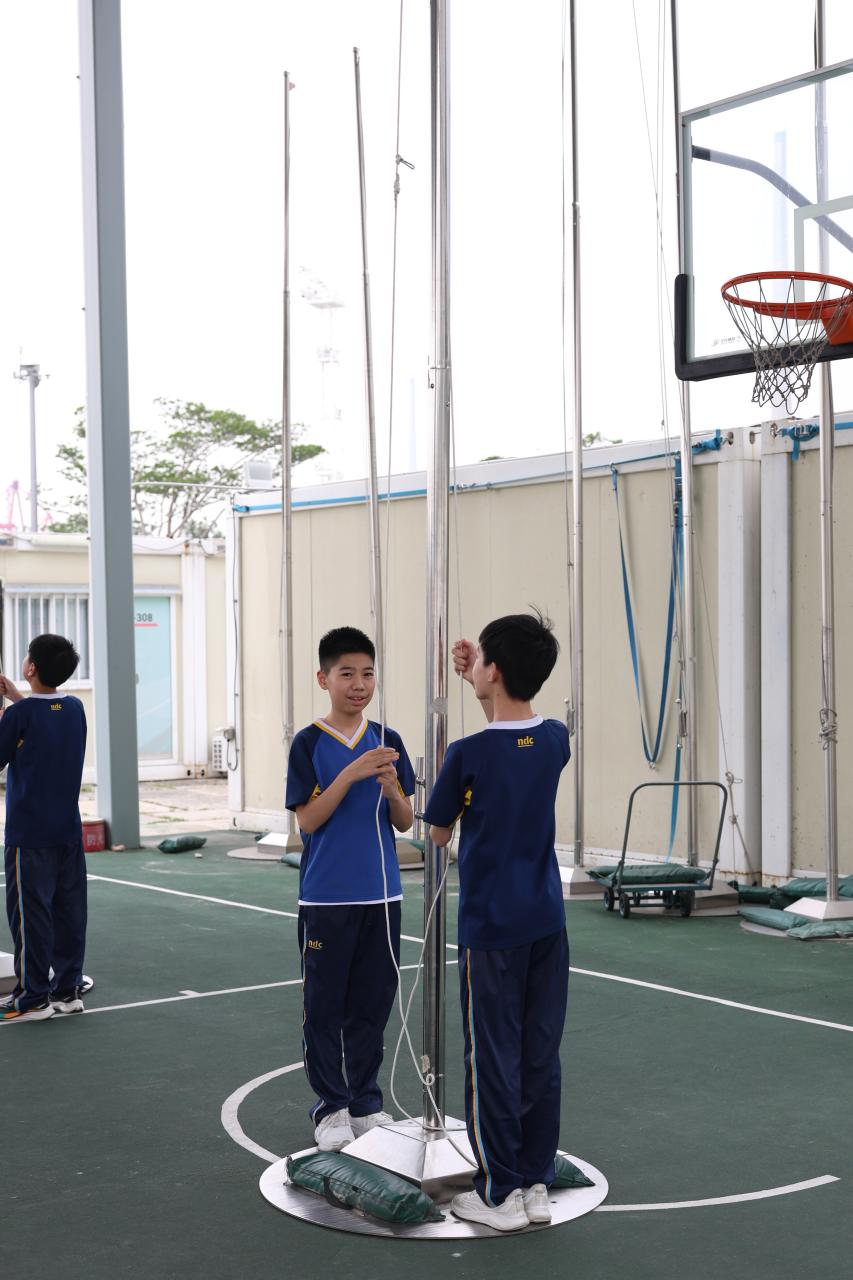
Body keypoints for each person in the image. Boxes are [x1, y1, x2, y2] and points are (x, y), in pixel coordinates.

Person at [424, 611, 570, 1232]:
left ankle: (499, 1193)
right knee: (539, 1054)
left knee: (491, 1059)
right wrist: (480, 682)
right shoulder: (556, 738)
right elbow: (515, 737)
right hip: (547, 921)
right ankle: (534, 1182)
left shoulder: (467, 753)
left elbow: (437, 833)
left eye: (480, 660)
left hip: (491, 930)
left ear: (495, 671)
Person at [286, 626, 416, 1151]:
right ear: (324, 679)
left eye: (367, 674)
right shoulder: (309, 743)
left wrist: (392, 790)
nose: (359, 684)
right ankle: (331, 1107)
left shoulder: (388, 740)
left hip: (382, 896)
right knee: (324, 1007)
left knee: (371, 1006)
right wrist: (351, 775)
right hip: (326, 899)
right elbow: (307, 821)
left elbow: (404, 821)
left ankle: (364, 1103)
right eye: (347, 674)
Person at [0, 634, 88, 1023]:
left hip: (29, 836)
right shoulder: (74, 709)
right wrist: (17, 699)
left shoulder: (19, 716)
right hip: (67, 833)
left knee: (30, 917)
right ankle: (67, 991)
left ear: (31, 667)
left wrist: (7, 715)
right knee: (69, 914)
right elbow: (45, 723)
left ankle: (33, 998)